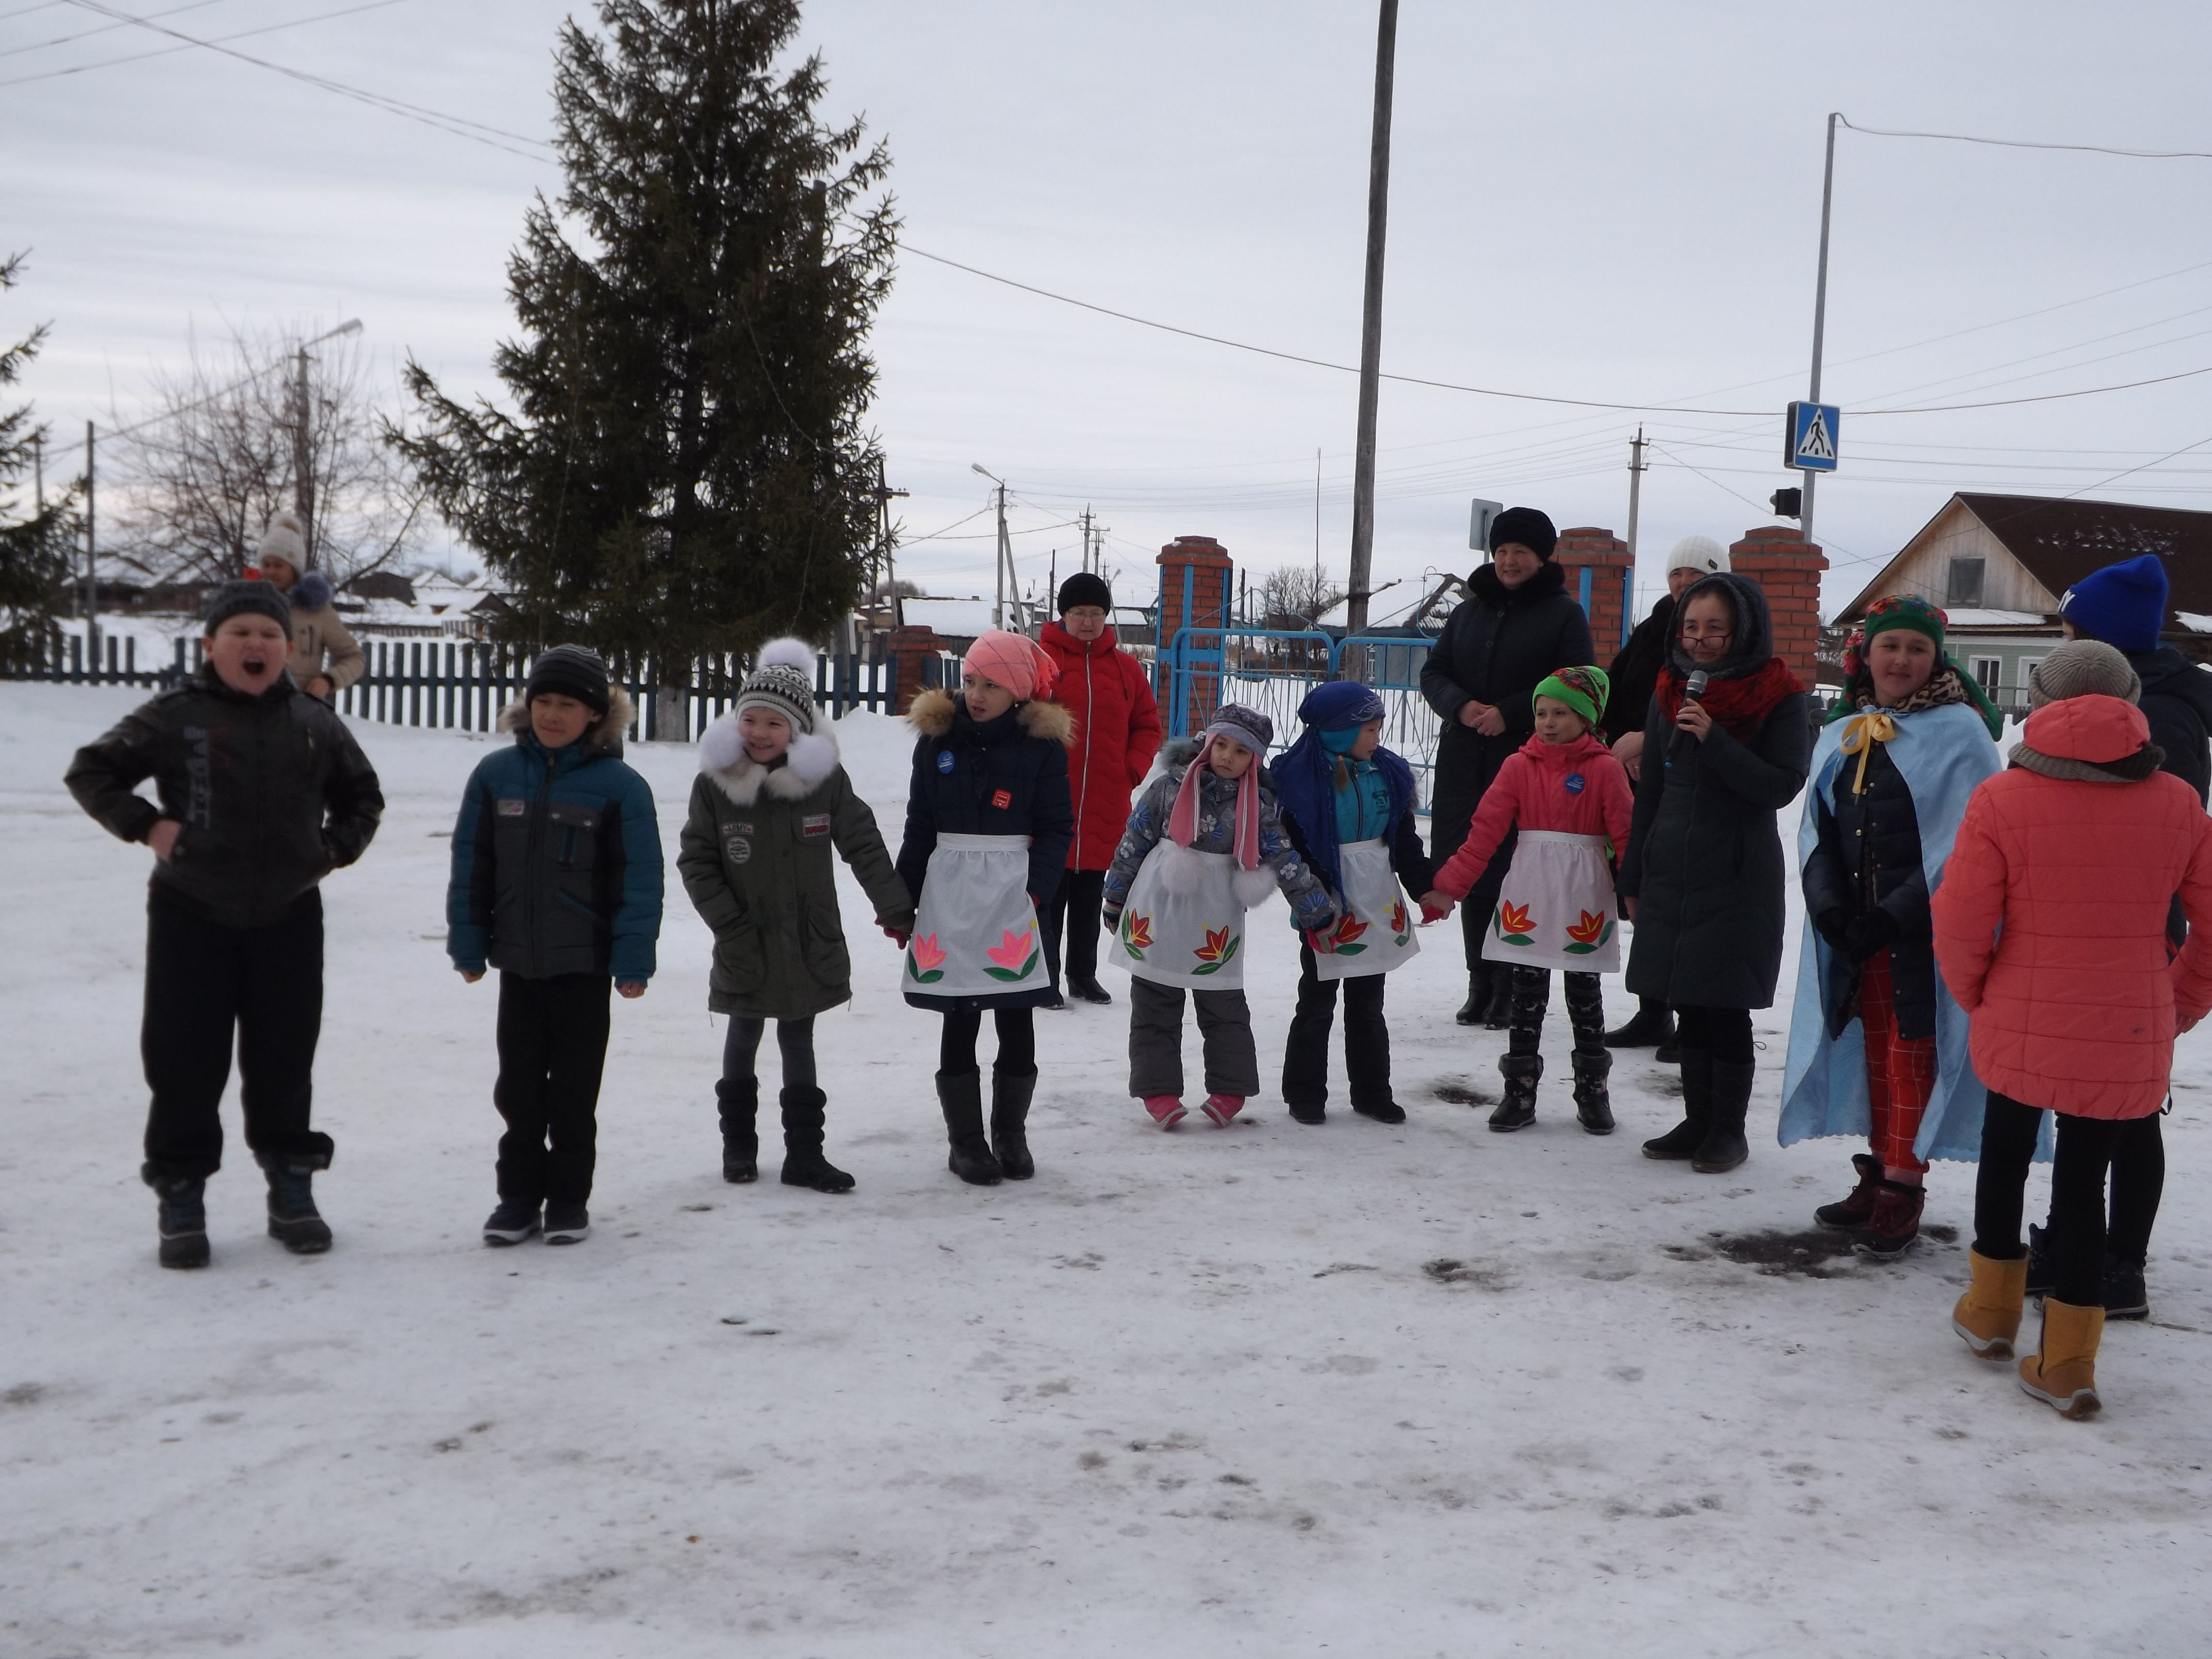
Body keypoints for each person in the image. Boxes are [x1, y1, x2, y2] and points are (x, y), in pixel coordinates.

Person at [65, 579, 384, 1268]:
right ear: (211, 645)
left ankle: (291, 1186)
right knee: (184, 1060)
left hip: (289, 917)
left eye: (269, 634)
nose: (255, 644)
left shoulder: (315, 722)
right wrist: (148, 826)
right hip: (192, 915)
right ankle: (181, 1194)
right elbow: (93, 771)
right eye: (240, 633)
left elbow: (363, 795)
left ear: (287, 648)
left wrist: (331, 851)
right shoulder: (175, 716)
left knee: (284, 1059)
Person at [1933, 640, 2212, 1418]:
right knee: (2086, 1181)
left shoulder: (2003, 798)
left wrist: (1976, 992)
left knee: (2004, 1151)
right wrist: (2180, 1000)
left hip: (2020, 1009)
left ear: (2042, 703)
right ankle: (2068, 1364)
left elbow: (1960, 916)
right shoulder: (2177, 802)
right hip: (2128, 1024)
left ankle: (1991, 1313)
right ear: (2131, 702)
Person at [1779, 596, 2004, 1259]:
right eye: (1890, 646)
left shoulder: (1960, 732)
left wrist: (1892, 914)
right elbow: (1817, 830)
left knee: (1911, 1056)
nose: (1901, 660)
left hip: (1923, 934)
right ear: (1867, 654)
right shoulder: (1845, 729)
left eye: (1917, 648)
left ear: (1936, 659)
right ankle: (1879, 1169)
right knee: (1871, 1053)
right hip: (1856, 930)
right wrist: (1828, 905)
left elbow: (1963, 844)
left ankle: (1902, 1188)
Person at [678, 640, 915, 1193]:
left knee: (798, 1040)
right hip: (745, 941)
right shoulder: (715, 785)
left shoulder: (822, 782)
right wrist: (729, 925)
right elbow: (697, 862)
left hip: (808, 940)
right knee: (742, 1036)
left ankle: (805, 1156)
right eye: (750, 720)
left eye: (774, 723)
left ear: (798, 729)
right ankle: (739, 1148)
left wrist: (895, 908)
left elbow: (862, 842)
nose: (759, 733)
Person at [2042, 552, 2212, 1314]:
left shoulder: (2160, 712)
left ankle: (2121, 1265)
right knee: (2084, 1101)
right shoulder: (2124, 695)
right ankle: (2075, 1240)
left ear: (2102, 641)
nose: (2062, 642)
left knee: (2130, 1109)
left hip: (2135, 937)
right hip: (2092, 929)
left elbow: (2165, 836)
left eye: (2071, 630)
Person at [446, 645, 661, 1247]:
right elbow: (472, 865)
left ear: (594, 713)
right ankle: (516, 1200)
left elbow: (639, 881)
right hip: (518, 964)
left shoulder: (621, 787)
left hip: (583, 968)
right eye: (543, 701)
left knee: (572, 1093)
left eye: (567, 704)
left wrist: (632, 960)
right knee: (517, 1093)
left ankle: (567, 1200)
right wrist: (469, 944)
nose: (552, 714)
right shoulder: (494, 776)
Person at [1619, 573, 1812, 1173]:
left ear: (1743, 631)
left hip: (1735, 869)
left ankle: (1728, 1130)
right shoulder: (1670, 689)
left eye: (1714, 629)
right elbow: (1651, 790)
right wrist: (1633, 875)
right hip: (1672, 865)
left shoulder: (1780, 697)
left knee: (1723, 1004)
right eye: (1691, 627)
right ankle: (1696, 1121)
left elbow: (1780, 786)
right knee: (1687, 999)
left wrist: (1717, 739)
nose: (1699, 640)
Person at [1099, 704, 1335, 1129]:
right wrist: (1116, 897)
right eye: (1221, 745)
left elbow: (1283, 857)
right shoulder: (1168, 787)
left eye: (1241, 751)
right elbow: (1134, 840)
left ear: (1255, 760)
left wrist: (1314, 908)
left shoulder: (1258, 804)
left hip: (1216, 915)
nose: (1227, 756)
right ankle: (1158, 1090)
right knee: (1154, 1001)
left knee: (1223, 1003)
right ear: (1207, 743)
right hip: (1159, 906)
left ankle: (1230, 1088)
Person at [896, 630, 1075, 1185]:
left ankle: (1010, 1135)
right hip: (950, 892)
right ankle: (966, 1142)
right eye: (971, 680)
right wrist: (902, 901)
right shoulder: (937, 742)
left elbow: (1056, 828)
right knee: (960, 1013)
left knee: (1015, 1012)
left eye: (992, 685)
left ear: (1017, 692)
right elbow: (920, 825)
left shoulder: (1042, 748)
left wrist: (1035, 892)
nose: (976, 694)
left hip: (1012, 896)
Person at [1431, 665, 1635, 1134]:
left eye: (1561, 712)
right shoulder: (1518, 766)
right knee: (1526, 995)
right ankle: (1519, 1093)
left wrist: (1634, 894)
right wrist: (1449, 887)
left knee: (1585, 994)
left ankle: (1593, 1093)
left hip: (1584, 893)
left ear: (1586, 718)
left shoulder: (1605, 769)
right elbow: (1484, 833)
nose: (1548, 722)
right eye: (1541, 712)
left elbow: (1626, 835)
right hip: (1530, 890)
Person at [1421, 507, 1595, 1030]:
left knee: (1516, 873)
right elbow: (1434, 672)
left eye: (1521, 551)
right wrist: (1460, 706)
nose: (1509, 561)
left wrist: (1511, 713)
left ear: (1542, 557)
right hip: (1464, 759)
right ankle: (1480, 982)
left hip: (1529, 760)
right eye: (1501, 551)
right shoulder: (1468, 612)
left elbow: (1578, 682)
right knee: (1471, 868)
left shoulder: (1563, 615)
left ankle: (1511, 986)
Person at [1272, 681, 1451, 1125]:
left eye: (1378, 729)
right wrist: (1315, 906)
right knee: (1316, 1003)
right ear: (1339, 731)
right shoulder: (1297, 779)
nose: (1377, 739)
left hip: (1376, 896)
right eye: (1369, 730)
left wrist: (1425, 888)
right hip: (1325, 901)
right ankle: (1304, 1093)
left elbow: (1404, 841)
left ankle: (1372, 1093)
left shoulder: (1386, 772)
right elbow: (1292, 851)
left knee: (1369, 1005)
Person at [1598, 534, 1732, 1054]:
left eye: (1696, 574)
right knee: (1647, 898)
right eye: (1677, 574)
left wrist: (1647, 741)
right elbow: (1616, 689)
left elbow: (1705, 710)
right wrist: (1618, 740)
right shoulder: (1653, 628)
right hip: (1638, 777)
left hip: (1688, 780)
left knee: (1686, 905)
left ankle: (1689, 1015)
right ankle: (1653, 1011)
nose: (1684, 583)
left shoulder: (1722, 646)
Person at [1038, 573, 1161, 1009]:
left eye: (1095, 613)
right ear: (1063, 615)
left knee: (1090, 894)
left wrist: (1130, 769)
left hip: (1104, 802)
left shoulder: (1127, 669)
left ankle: (1082, 975)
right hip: (1050, 802)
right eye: (1078, 613)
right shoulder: (1041, 663)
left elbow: (1148, 725)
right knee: (1048, 895)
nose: (1087, 622)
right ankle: (1044, 978)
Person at [252, 511, 364, 704]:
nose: (270, 571)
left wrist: (328, 680)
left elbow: (354, 658)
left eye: (278, 565)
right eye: (266, 564)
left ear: (294, 569)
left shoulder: (317, 611)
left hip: (300, 709)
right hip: (251, 709)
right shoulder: (248, 606)